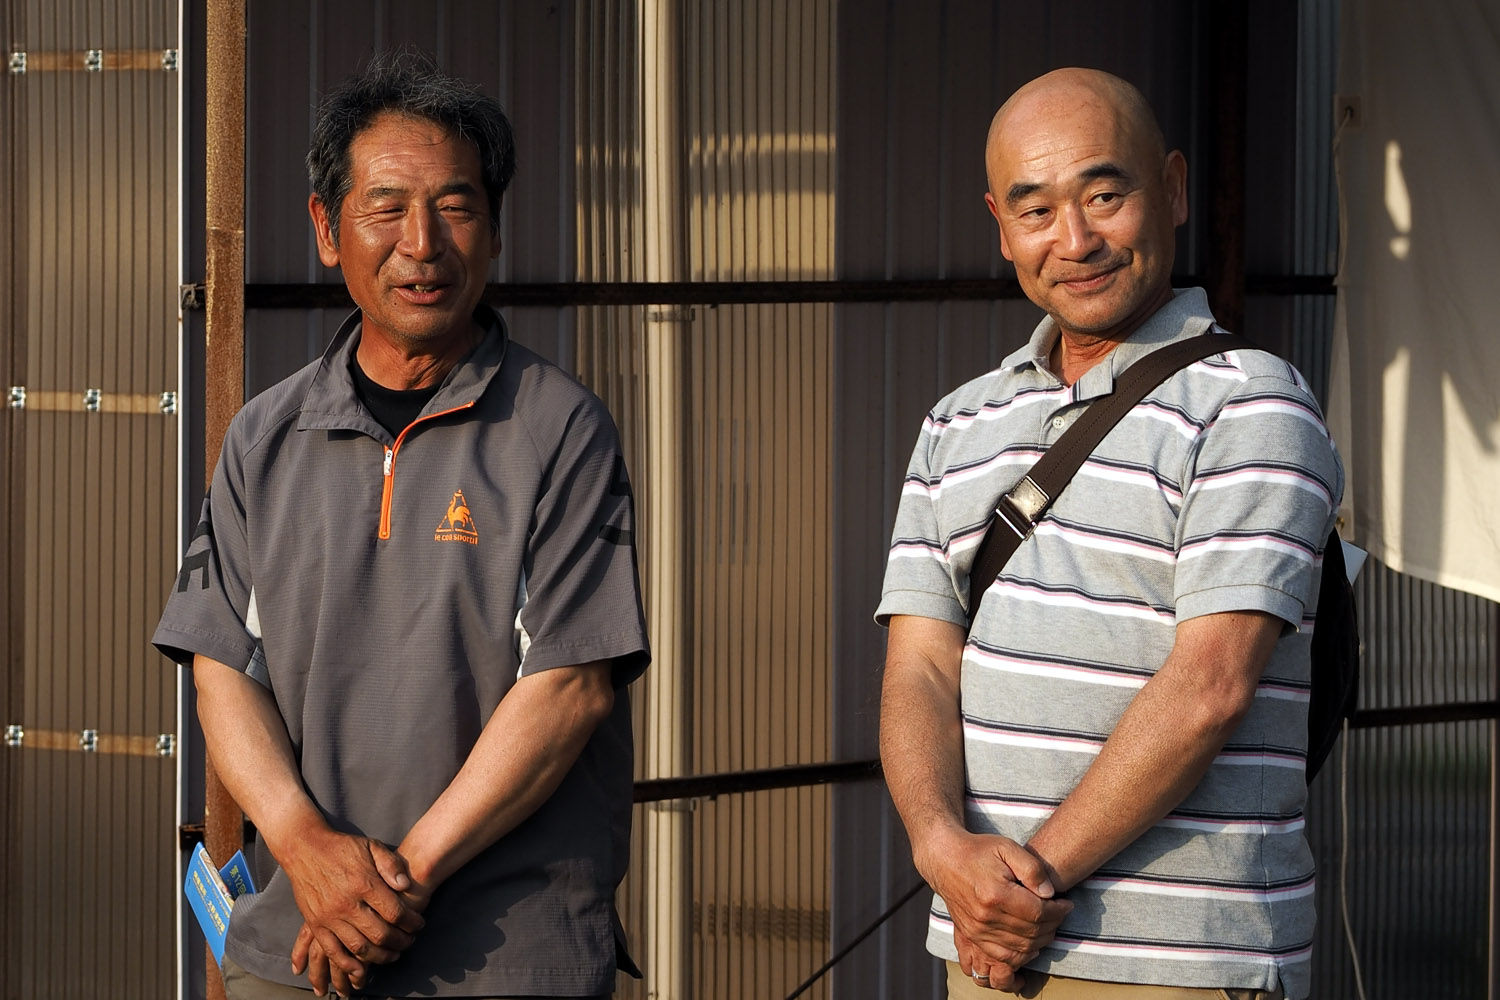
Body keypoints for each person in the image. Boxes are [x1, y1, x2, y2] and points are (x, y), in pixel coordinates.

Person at [155, 54, 649, 1000]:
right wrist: (305, 849)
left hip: (506, 961)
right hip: (297, 954)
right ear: (326, 228)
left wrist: (389, 889)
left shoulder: (559, 429)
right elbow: (219, 667)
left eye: (455, 206)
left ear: (495, 231)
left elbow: (570, 688)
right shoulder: (265, 434)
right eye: (386, 208)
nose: (422, 243)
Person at [876, 68, 1341, 1000]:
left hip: (1180, 961)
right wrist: (939, 847)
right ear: (1001, 225)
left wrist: (1026, 887)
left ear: (1171, 189)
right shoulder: (957, 422)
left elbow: (1209, 686)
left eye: (1103, 195)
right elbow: (920, 665)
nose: (1075, 240)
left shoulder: (1252, 405)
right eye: (1036, 210)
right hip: (985, 945)